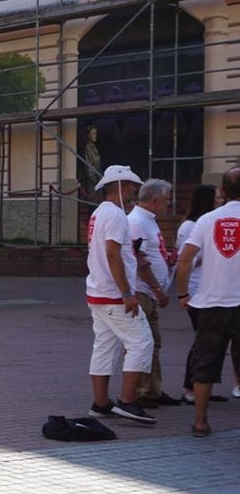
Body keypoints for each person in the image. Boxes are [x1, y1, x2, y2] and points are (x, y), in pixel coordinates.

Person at [85, 165, 156, 424]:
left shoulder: (100, 212)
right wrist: (127, 292)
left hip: (98, 291)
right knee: (141, 342)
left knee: (104, 347)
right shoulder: (115, 214)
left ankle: (101, 403)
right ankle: (127, 401)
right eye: (130, 187)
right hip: (114, 294)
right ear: (121, 187)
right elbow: (113, 254)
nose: (133, 191)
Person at [175, 167, 240, 437]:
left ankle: (201, 422)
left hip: (210, 303)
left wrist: (182, 294)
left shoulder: (206, 220)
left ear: (222, 191)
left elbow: (185, 259)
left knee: (205, 364)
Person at [127, 178, 181, 407]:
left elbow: (150, 253)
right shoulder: (137, 222)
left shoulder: (147, 220)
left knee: (153, 342)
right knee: (143, 343)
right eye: (167, 200)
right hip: (143, 292)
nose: (169, 204)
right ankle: (141, 392)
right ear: (155, 200)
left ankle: (152, 390)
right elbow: (138, 261)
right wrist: (158, 289)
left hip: (149, 293)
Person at [83, 125, 102, 192]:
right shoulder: (88, 148)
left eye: (96, 134)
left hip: (98, 179)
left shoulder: (94, 146)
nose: (95, 135)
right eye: (93, 134)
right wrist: (96, 180)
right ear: (89, 135)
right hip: (93, 182)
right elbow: (88, 166)